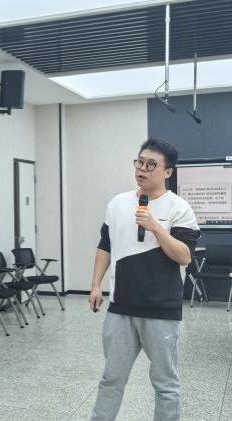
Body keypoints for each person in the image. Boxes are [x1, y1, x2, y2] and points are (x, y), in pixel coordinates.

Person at [89, 139, 200, 421]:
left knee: (165, 385)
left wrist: (156, 227)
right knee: (111, 379)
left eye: (151, 165)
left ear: (167, 172)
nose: (142, 169)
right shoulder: (117, 203)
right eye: (140, 162)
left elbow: (184, 256)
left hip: (161, 310)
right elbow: (105, 246)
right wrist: (95, 285)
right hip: (121, 307)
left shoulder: (180, 208)